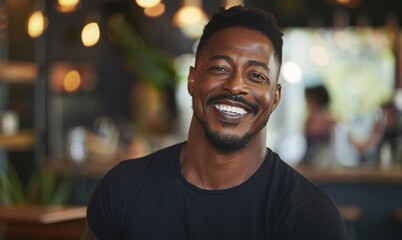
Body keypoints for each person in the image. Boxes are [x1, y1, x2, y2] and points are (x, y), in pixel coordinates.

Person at [82, 6, 348, 240]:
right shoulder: (124, 188)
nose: (235, 86)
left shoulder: (309, 215)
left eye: (256, 75)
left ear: (275, 97)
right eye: (220, 68)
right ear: (192, 80)